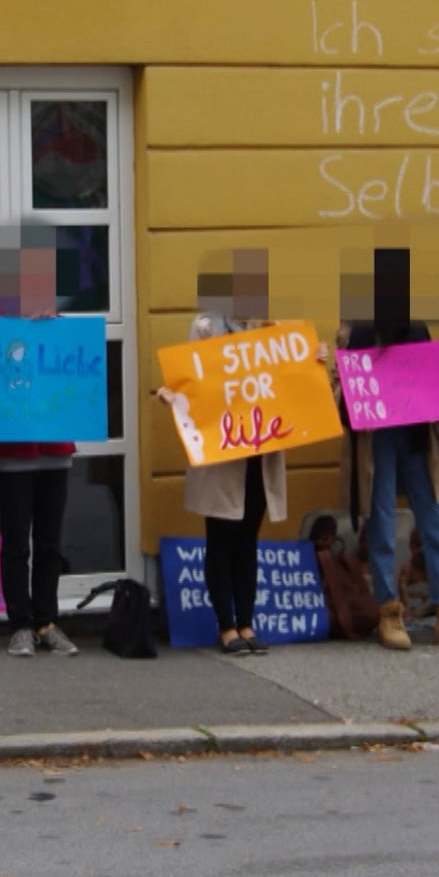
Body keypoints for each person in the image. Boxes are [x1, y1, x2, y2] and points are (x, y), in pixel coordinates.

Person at [332, 248, 439, 652]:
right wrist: (348, 390)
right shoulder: (356, 329)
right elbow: (341, 388)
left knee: (435, 519)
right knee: (382, 522)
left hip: (417, 438)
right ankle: (388, 609)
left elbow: (433, 380)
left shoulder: (416, 327)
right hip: (378, 439)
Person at [160, 249, 288, 655]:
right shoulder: (205, 328)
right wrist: (173, 394)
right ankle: (226, 625)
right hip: (221, 452)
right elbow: (191, 382)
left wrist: (312, 359)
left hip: (258, 452)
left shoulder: (273, 331)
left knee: (248, 537)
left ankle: (248, 623)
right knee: (220, 538)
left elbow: (290, 381)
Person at [0, 239, 79, 659]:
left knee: (50, 542)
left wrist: (52, 327)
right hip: (11, 452)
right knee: (17, 542)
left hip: (55, 448)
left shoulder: (56, 322)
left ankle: (46, 621)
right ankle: (19, 623)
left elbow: (74, 373)